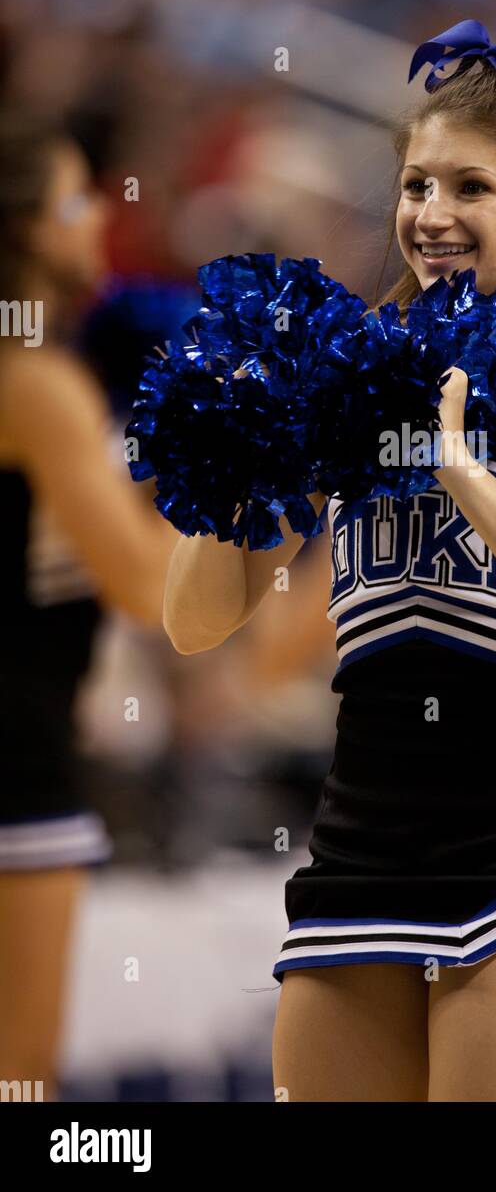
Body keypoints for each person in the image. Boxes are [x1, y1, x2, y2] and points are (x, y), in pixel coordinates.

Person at [164, 22, 496, 1102]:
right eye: (413, 184)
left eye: (469, 187)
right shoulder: (350, 378)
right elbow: (195, 619)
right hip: (363, 841)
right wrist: (246, 446)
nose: (430, 214)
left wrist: (461, 474)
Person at [0, 113, 177, 1099]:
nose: (98, 214)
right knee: (20, 1081)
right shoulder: (36, 384)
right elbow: (148, 588)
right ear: (25, 229)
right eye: (73, 200)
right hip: (18, 765)